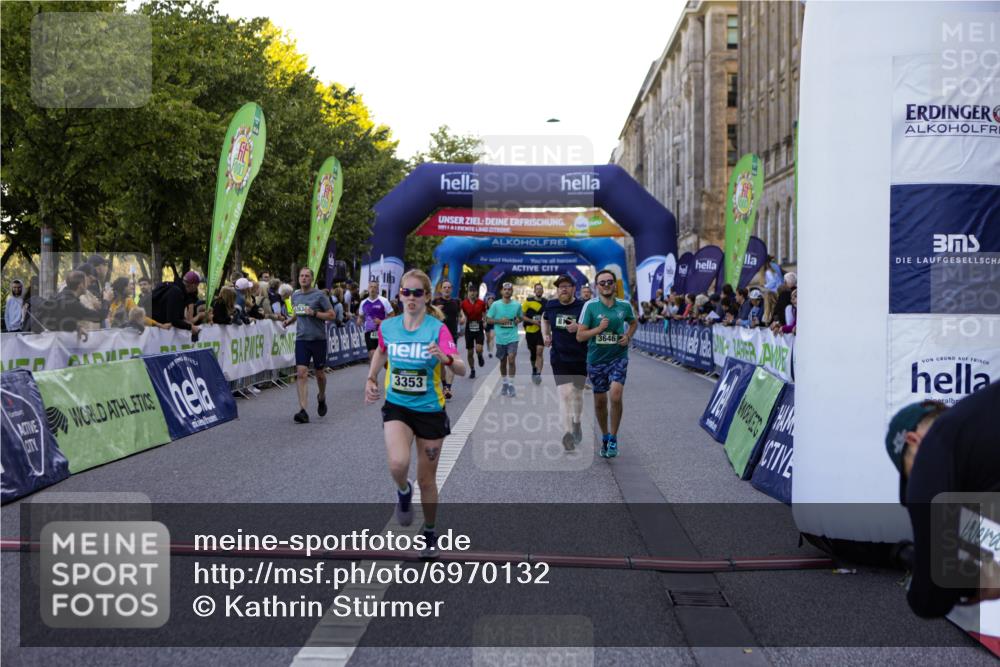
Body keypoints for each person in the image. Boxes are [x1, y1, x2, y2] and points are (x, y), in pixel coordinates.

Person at [364, 269, 465, 560]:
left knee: (427, 480)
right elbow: (382, 351)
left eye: (416, 293)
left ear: (426, 297)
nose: (410, 298)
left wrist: (444, 358)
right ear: (399, 296)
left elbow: (460, 368)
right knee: (398, 464)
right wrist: (371, 378)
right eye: (405, 293)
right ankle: (402, 492)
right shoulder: (389, 327)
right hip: (397, 405)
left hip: (430, 410)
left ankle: (430, 532)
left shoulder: (437, 329)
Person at [886, 384, 1000, 617]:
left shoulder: (934, 448)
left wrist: (976, 580)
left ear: (913, 439)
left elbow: (930, 599)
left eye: (910, 473)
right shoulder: (981, 420)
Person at [576, 268, 637, 458]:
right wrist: (598, 329)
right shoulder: (590, 307)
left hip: (618, 356)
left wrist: (627, 336)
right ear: (597, 287)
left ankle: (613, 438)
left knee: (616, 395)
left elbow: (633, 322)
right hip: (596, 360)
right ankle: (604, 435)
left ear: (614, 284)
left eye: (609, 282)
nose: (606, 285)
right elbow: (580, 336)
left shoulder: (624, 306)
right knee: (601, 402)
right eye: (602, 283)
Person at [541, 274, 588, 450]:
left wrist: (579, 327)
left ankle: (577, 422)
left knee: (577, 394)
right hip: (559, 356)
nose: (564, 289)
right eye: (561, 286)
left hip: (580, 356)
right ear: (557, 289)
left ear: (573, 288)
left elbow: (591, 325)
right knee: (565, 394)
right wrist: (545, 335)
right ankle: (567, 434)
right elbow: (544, 320)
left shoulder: (583, 306)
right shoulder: (551, 306)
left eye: (567, 286)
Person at [283, 267, 335, 423]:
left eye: (307, 276)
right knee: (301, 373)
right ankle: (303, 410)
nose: (303, 278)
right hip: (302, 339)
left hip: (318, 339)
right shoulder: (295, 295)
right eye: (301, 276)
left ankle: (321, 396)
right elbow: (297, 313)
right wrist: (289, 320)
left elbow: (332, 315)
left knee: (320, 374)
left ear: (311, 279)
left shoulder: (320, 295)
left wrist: (314, 313)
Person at [487, 282, 523, 397]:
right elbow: (488, 319)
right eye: (505, 289)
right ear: (502, 291)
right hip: (500, 339)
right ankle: (504, 383)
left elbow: (520, 317)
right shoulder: (496, 305)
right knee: (503, 362)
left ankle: (511, 385)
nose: (507, 291)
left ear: (512, 292)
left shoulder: (517, 305)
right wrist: (498, 321)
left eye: (509, 289)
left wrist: (518, 320)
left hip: (513, 337)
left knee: (511, 360)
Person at [431, 280, 462, 400]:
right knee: (441, 364)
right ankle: (444, 385)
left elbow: (460, 314)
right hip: (438, 336)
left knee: (451, 361)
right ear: (441, 289)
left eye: (449, 287)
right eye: (445, 287)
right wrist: (435, 310)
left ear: (452, 289)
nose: (447, 289)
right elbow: (428, 317)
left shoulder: (456, 302)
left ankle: (448, 387)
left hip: (451, 336)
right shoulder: (435, 302)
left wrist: (463, 317)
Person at [152, 271, 201, 337]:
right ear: (193, 285)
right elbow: (173, 320)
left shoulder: (177, 289)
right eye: (197, 285)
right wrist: (191, 327)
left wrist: (187, 323)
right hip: (150, 327)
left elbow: (177, 317)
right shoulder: (176, 292)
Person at [358, 280, 394, 360]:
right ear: (368, 288)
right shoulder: (363, 303)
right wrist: (359, 321)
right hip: (369, 331)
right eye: (371, 287)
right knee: (372, 353)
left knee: (382, 355)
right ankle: (373, 371)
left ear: (378, 289)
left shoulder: (384, 301)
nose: (373, 289)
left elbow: (392, 315)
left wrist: (381, 322)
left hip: (381, 331)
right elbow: (361, 316)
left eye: (375, 287)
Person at [459, 283, 487, 379]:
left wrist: (485, 321)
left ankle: (480, 355)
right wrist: (462, 318)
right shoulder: (463, 303)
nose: (472, 293)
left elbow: (484, 313)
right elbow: (461, 313)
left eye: (474, 292)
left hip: (478, 326)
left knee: (479, 348)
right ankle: (472, 370)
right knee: (470, 352)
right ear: (468, 293)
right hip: (469, 327)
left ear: (476, 293)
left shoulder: (481, 303)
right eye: (470, 292)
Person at [522, 282, 546, 385]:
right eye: (537, 289)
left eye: (541, 289)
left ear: (543, 291)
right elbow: (521, 316)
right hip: (530, 331)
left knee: (539, 352)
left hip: (541, 331)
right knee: (533, 354)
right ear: (534, 291)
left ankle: (538, 374)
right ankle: (534, 369)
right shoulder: (528, 301)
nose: (539, 290)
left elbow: (549, 317)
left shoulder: (546, 302)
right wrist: (533, 322)